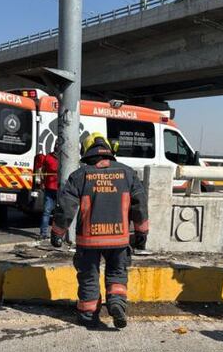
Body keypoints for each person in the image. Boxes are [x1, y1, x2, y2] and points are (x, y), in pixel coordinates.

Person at [50, 134, 149, 329]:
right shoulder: (128, 174)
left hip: (89, 240)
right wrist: (141, 233)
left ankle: (88, 315)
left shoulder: (80, 175)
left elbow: (66, 207)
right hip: (119, 239)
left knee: (88, 276)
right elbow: (140, 205)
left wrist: (57, 232)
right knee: (117, 273)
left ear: (87, 152)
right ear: (109, 150)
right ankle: (116, 304)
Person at [34, 144, 61, 242]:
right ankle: (57, 234)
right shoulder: (64, 159)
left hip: (51, 188)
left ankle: (44, 234)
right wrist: (42, 182)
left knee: (47, 212)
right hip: (56, 189)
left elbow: (41, 171)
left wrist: (41, 182)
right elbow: (42, 172)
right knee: (57, 214)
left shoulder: (48, 157)